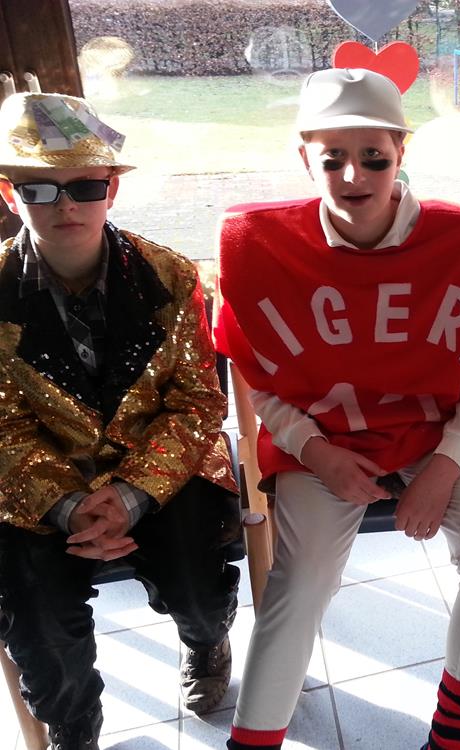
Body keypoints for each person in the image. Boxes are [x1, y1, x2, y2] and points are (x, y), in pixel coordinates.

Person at [213, 67, 460, 750]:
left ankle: (454, 739)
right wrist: (316, 452)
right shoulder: (256, 243)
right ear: (304, 157)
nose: (352, 175)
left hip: (437, 434)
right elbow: (259, 381)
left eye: (373, 156)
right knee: (301, 580)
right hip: (324, 439)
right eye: (332, 157)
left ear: (401, 151)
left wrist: (446, 467)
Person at [0, 92, 240, 750]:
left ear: (111, 189)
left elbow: (197, 402)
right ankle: (74, 724)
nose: (66, 206)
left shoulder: (170, 276)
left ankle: (207, 640)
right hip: (39, 483)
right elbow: (3, 427)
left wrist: (131, 495)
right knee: (36, 613)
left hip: (162, 466)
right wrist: (69, 505)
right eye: (39, 188)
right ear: (9, 193)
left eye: (84, 186)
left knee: (196, 578)